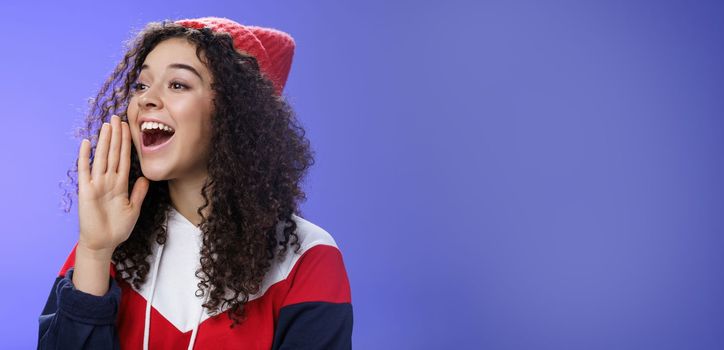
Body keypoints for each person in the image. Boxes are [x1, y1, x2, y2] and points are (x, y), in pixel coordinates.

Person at [37, 17, 353, 349]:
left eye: (178, 85)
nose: (146, 99)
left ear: (235, 114)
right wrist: (95, 252)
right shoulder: (111, 240)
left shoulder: (306, 257)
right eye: (141, 85)